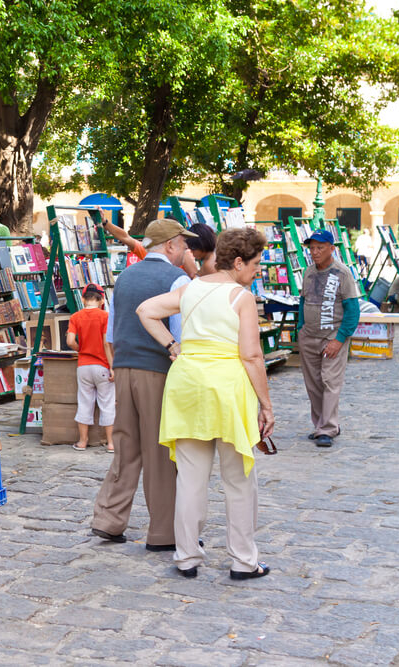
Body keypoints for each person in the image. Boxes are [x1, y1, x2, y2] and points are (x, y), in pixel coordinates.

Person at [137, 227, 275, 580]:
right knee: (238, 480)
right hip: (227, 387)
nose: (257, 271)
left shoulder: (191, 287)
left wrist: (172, 345)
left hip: (187, 384)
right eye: (256, 264)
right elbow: (251, 356)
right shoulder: (241, 297)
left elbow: (146, 310)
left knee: (190, 479)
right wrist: (266, 404)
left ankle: (186, 556)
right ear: (239, 262)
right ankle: (243, 560)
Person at [91, 219, 197, 549]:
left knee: (125, 444)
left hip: (124, 367)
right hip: (158, 369)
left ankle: (108, 519)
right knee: (160, 450)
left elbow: (111, 332)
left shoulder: (125, 277)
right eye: (183, 244)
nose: (185, 251)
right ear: (170, 245)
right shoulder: (176, 278)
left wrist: (116, 363)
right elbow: (179, 334)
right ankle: (164, 533)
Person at [298, 229, 359, 448]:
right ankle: (320, 425)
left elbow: (353, 310)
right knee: (313, 384)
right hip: (309, 336)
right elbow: (303, 301)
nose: (315, 252)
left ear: (331, 249)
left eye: (320, 247)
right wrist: (300, 328)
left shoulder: (342, 273)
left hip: (332, 336)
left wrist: (339, 339)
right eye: (312, 248)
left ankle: (328, 428)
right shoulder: (308, 272)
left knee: (330, 381)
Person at [67, 284, 115, 452]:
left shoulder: (75, 317)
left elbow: (70, 341)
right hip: (102, 366)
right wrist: (112, 367)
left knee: (84, 403)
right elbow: (106, 344)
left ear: (82, 299)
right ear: (101, 301)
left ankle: (82, 442)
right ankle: (111, 443)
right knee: (107, 403)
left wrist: (80, 349)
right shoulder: (105, 316)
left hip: (83, 367)